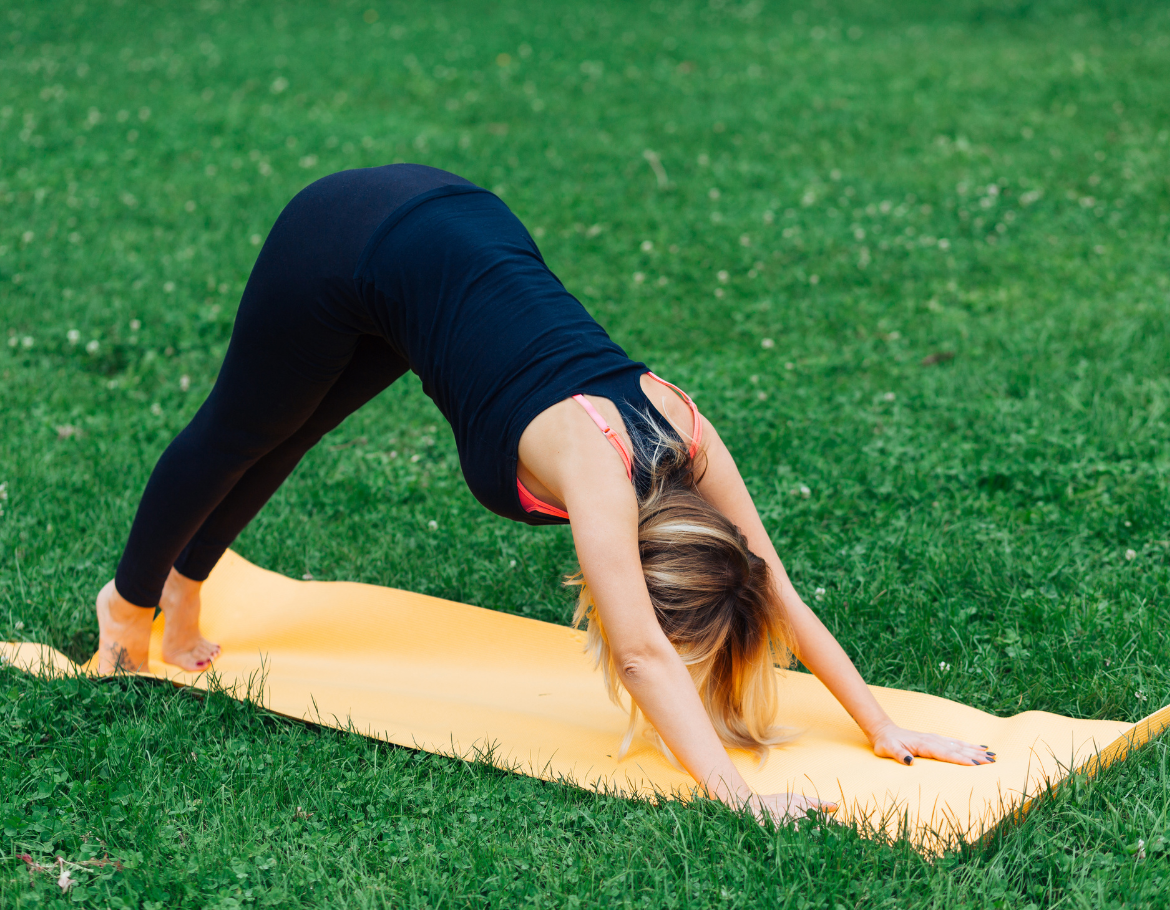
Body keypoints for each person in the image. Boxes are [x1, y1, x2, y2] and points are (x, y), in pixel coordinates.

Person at [95, 164, 994, 823]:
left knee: (298, 426)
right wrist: (738, 794)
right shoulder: (603, 469)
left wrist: (881, 726)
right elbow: (641, 652)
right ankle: (129, 606)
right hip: (352, 235)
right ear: (638, 573)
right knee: (244, 426)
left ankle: (187, 585)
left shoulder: (684, 426)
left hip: (458, 232)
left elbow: (775, 584)